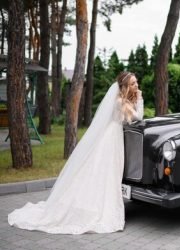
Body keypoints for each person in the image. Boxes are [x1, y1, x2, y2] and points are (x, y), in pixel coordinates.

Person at [8, 71, 143, 234]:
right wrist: (140, 98)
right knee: (107, 173)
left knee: (104, 172)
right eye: (134, 83)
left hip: (112, 137)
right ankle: (98, 208)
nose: (137, 86)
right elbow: (139, 117)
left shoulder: (120, 100)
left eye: (136, 83)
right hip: (112, 140)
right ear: (126, 86)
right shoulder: (121, 102)